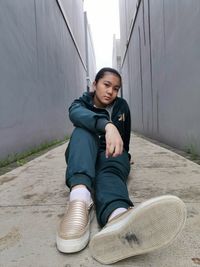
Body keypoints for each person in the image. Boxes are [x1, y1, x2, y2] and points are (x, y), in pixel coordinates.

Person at [56, 67, 187, 264]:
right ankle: (79, 200)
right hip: (85, 152)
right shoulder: (80, 103)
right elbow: (76, 115)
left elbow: (124, 139)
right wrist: (107, 126)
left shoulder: (122, 106)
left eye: (116, 88)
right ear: (95, 84)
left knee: (108, 173)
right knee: (82, 133)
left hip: (111, 152)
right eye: (106, 85)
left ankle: (118, 218)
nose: (111, 91)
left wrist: (125, 156)